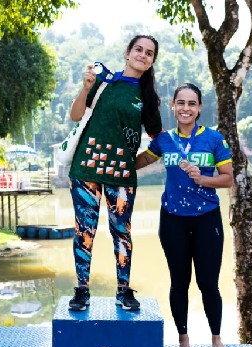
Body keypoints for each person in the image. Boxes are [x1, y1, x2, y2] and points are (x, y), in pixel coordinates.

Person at [136, 83, 234, 347]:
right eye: (181, 103)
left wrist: (203, 179)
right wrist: (115, 156)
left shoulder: (214, 139)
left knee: (208, 284)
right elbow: (140, 161)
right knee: (179, 283)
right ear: (173, 106)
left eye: (192, 103)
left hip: (207, 219)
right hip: (172, 220)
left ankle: (216, 340)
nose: (186, 108)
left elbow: (228, 178)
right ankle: (183, 341)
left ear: (200, 108)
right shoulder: (164, 140)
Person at [67, 35, 163, 312]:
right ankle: (82, 289)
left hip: (122, 177)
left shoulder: (147, 98)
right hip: (86, 169)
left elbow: (158, 140)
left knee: (122, 233)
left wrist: (136, 163)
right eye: (138, 49)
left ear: (152, 61)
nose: (142, 55)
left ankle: (123, 290)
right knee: (84, 231)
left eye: (149, 53)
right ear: (128, 53)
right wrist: (85, 88)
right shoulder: (104, 81)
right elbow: (75, 115)